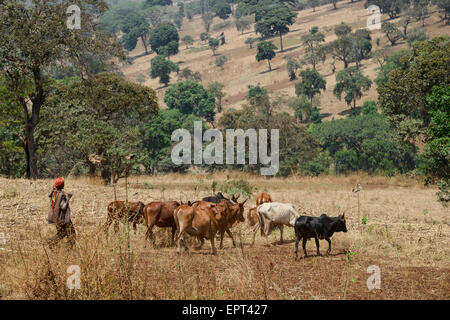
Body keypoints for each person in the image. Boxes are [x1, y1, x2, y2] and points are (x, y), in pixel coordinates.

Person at [47, 177, 76, 248]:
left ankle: (53, 242)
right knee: (72, 235)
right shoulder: (61, 195)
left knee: (62, 233)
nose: (64, 184)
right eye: (63, 183)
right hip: (62, 219)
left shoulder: (54, 193)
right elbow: (63, 207)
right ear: (61, 185)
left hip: (56, 218)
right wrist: (68, 198)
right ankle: (66, 249)